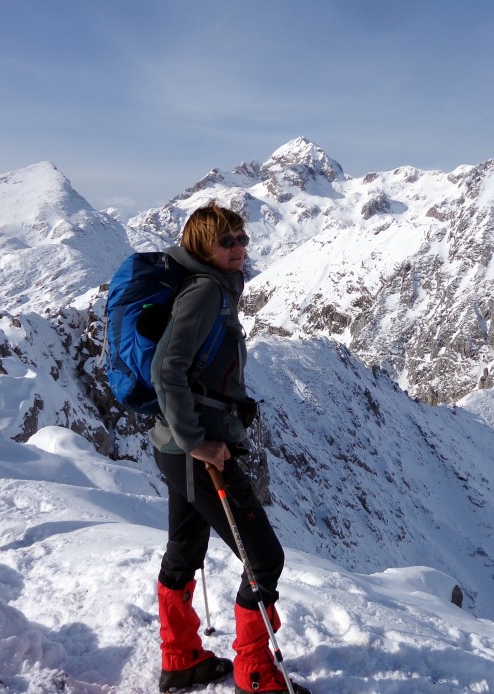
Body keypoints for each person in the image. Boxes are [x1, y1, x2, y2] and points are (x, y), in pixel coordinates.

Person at [150, 202, 310, 694]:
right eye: (228, 242)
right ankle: (256, 674)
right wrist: (199, 442)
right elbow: (166, 370)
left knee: (186, 546)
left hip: (179, 447)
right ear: (203, 247)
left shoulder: (214, 289)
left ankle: (180, 660)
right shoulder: (203, 293)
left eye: (242, 239)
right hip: (197, 450)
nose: (240, 249)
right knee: (263, 558)